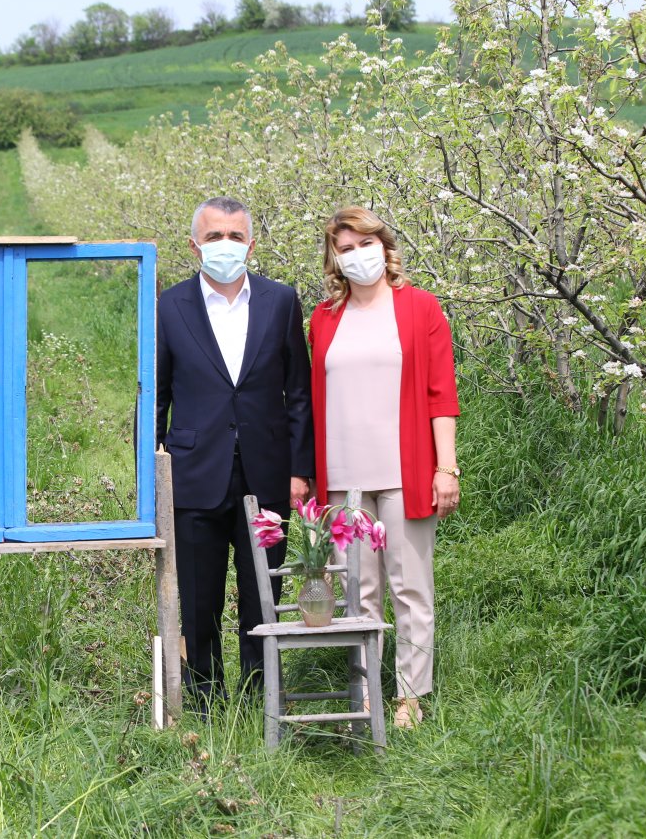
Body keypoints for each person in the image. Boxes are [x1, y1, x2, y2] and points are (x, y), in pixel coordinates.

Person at [157, 196, 314, 713]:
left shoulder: (280, 301)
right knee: (199, 599)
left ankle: (258, 700)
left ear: (251, 243)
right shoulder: (168, 305)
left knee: (261, 593)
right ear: (194, 245)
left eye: (235, 236)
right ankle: (203, 699)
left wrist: (299, 469)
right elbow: (156, 397)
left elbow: (299, 393)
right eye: (214, 236)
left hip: (266, 474)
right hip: (193, 474)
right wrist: (156, 475)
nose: (225, 245)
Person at [306, 206, 460, 729]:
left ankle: (410, 698)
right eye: (345, 249)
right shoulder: (323, 320)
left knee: (409, 585)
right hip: (343, 478)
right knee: (356, 587)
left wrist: (447, 468)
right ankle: (366, 691)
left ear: (385, 247)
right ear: (334, 259)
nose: (356, 256)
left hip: (406, 471)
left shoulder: (420, 309)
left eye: (364, 244)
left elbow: (442, 394)